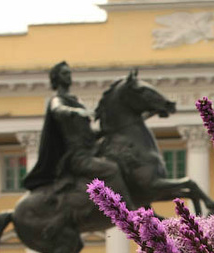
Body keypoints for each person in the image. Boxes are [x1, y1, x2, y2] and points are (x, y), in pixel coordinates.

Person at [22, 61, 133, 206]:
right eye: (64, 73)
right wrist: (75, 111)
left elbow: (88, 133)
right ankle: (124, 207)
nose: (69, 76)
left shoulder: (76, 100)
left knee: (123, 160)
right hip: (78, 157)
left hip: (90, 151)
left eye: (69, 73)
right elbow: (57, 109)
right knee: (112, 169)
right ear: (56, 78)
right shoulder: (58, 100)